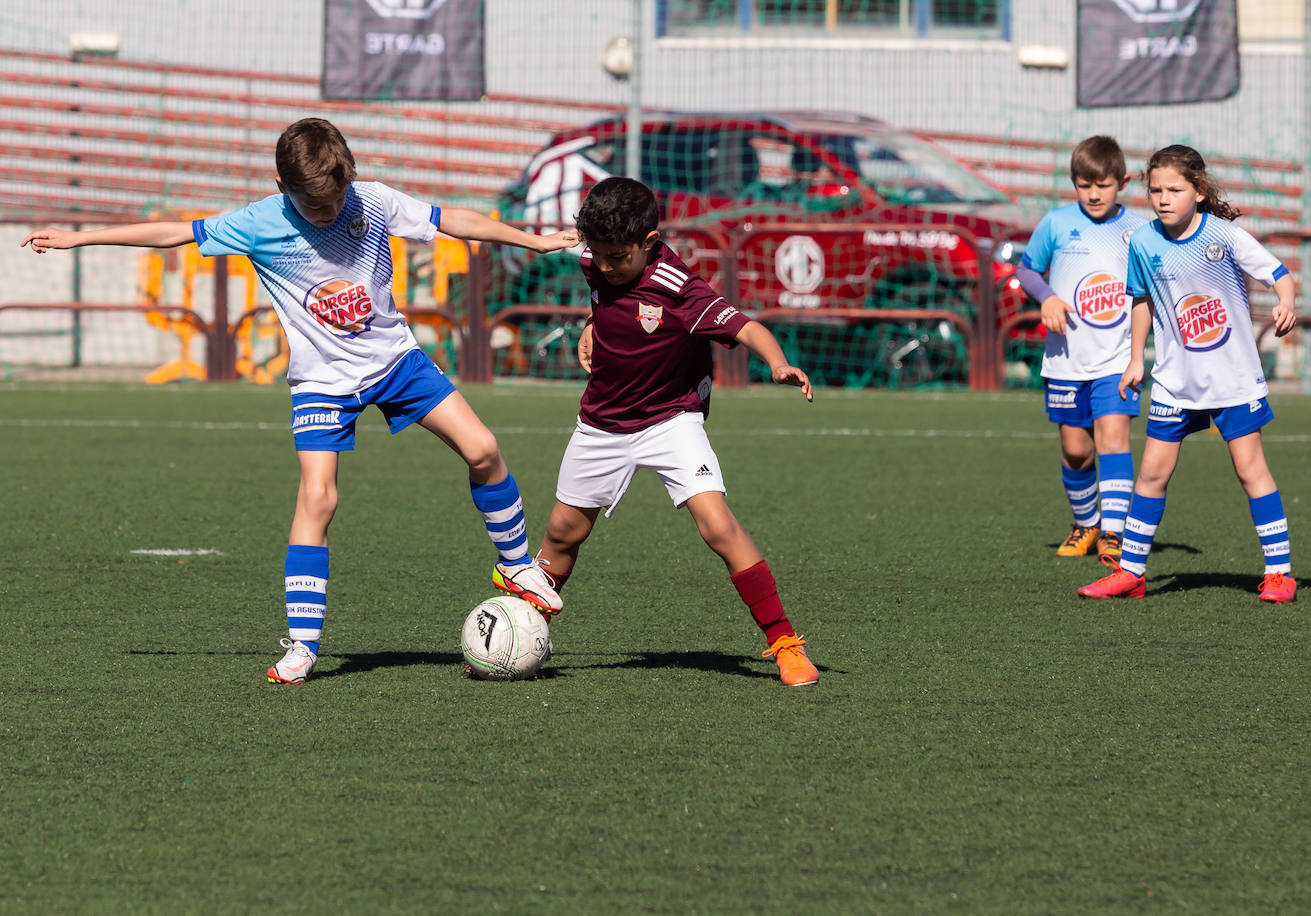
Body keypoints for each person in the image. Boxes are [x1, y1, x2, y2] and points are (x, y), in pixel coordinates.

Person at [21, 117, 580, 682]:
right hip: (322, 382)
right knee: (318, 497)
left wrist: (532, 240)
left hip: (394, 360)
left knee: (483, 448)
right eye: (316, 207)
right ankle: (303, 646)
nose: (330, 214)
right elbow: (174, 232)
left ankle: (516, 569)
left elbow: (450, 220)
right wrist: (79, 237)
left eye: (337, 202)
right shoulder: (260, 221)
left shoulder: (372, 200)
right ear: (282, 185)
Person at [530, 176, 820, 686]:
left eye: (616, 257)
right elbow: (606, 297)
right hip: (602, 421)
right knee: (561, 534)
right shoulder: (595, 258)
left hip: (670, 419)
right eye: (596, 255)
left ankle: (784, 643)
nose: (602, 266)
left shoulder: (679, 288)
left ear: (649, 242)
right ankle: (519, 632)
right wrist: (592, 324)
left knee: (717, 524)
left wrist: (778, 364)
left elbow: (747, 327)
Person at [1078, 144, 1298, 602]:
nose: (1163, 198)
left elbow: (1280, 274)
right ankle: (1132, 572)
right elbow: (1139, 300)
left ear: (1198, 192)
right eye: (1155, 190)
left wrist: (1286, 303)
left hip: (1233, 378)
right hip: (1176, 381)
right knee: (1152, 473)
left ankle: (1279, 573)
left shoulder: (1225, 237)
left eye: (1174, 190)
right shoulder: (1142, 241)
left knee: (1249, 469)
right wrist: (1136, 358)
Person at [1017, 136, 1150, 561]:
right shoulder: (1056, 223)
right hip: (1066, 360)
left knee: (1113, 440)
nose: (1094, 193)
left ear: (1122, 183)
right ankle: (1086, 524)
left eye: (1104, 184)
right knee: (1076, 452)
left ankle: (1113, 532)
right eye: (1084, 184)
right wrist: (1048, 298)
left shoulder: (1139, 230)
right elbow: (1027, 269)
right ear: (1073, 183)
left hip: (1117, 357)